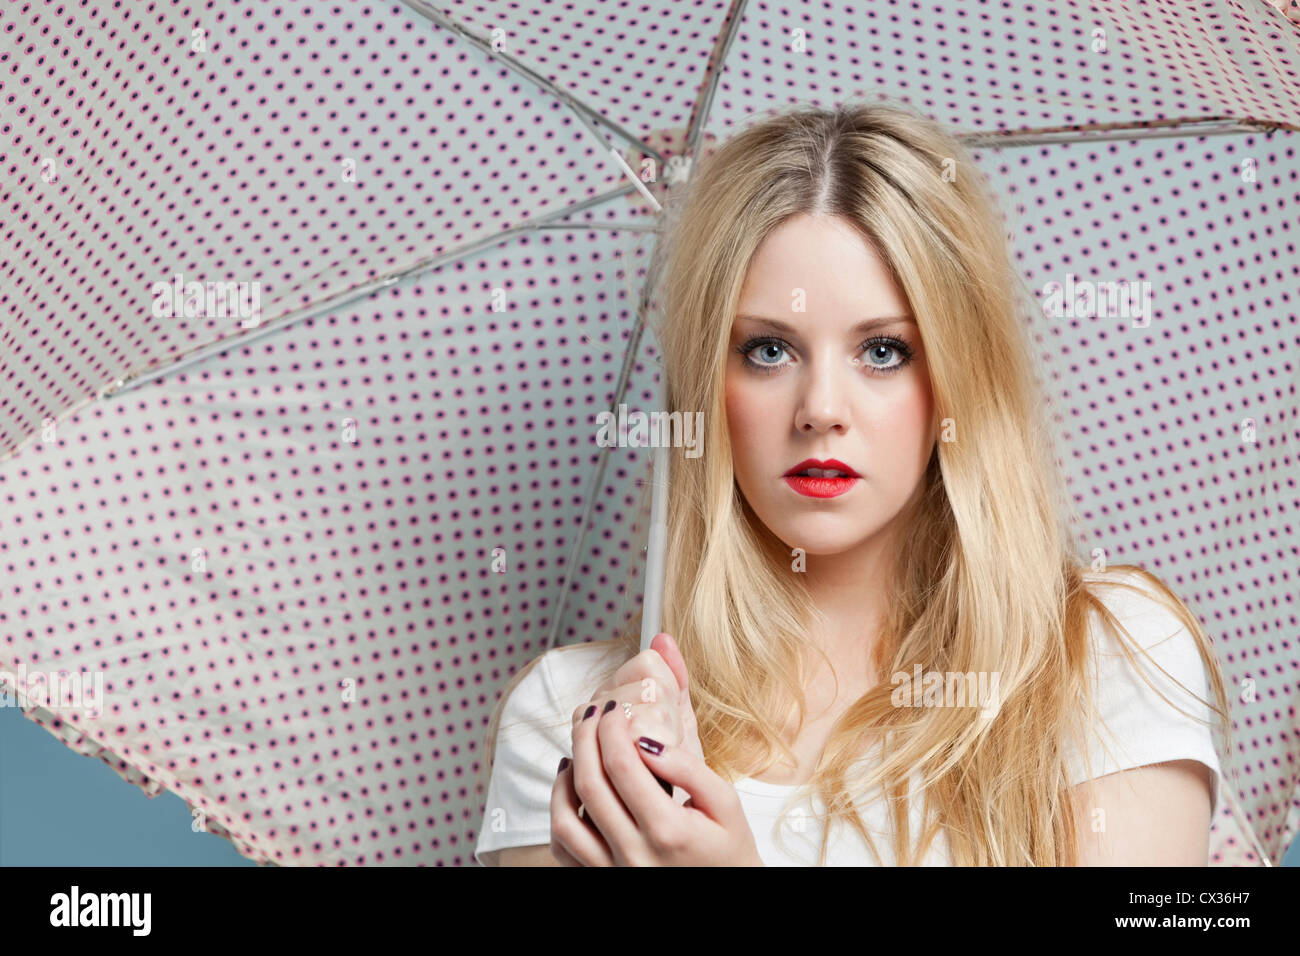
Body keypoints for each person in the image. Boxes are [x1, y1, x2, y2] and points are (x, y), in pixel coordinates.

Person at [473, 101, 1230, 866]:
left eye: (883, 351)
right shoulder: (574, 723)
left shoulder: (1105, 660)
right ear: (706, 380)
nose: (821, 410)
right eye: (768, 350)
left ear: (957, 379)